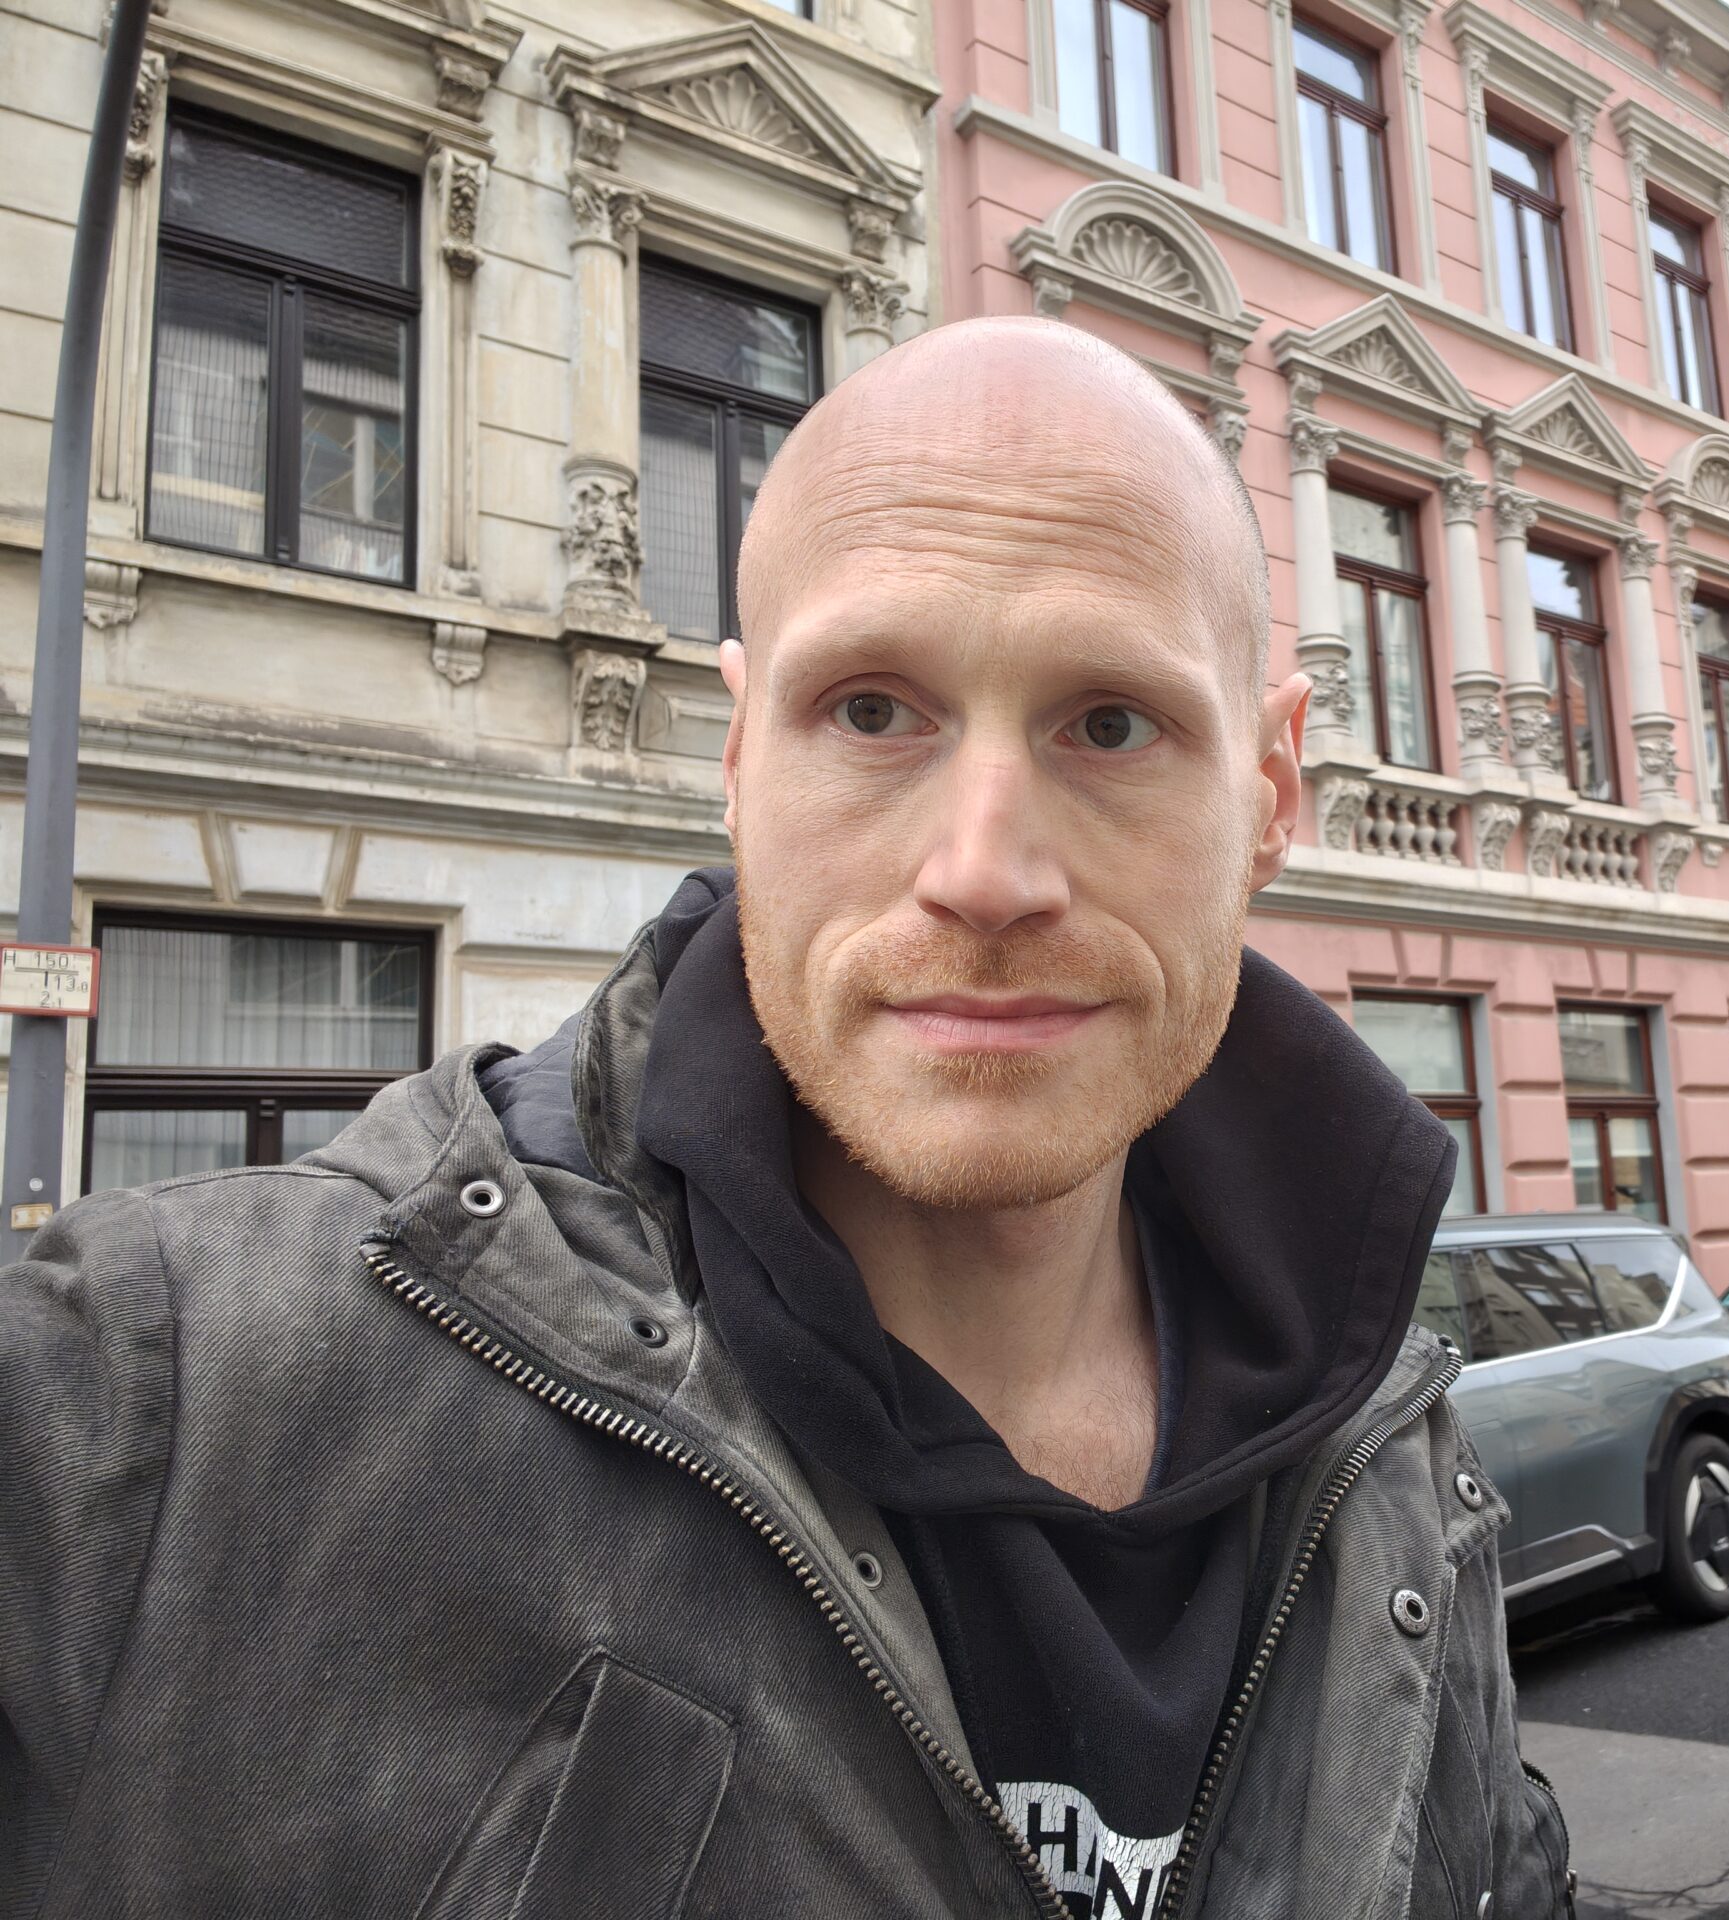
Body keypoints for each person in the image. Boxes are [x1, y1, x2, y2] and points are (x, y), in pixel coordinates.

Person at [0, 318, 1572, 1917]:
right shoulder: (166, 1407)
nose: (985, 872)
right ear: (741, 759)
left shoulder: (1389, 1447)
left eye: (1110, 723)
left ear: (1271, 797)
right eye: (873, 711)